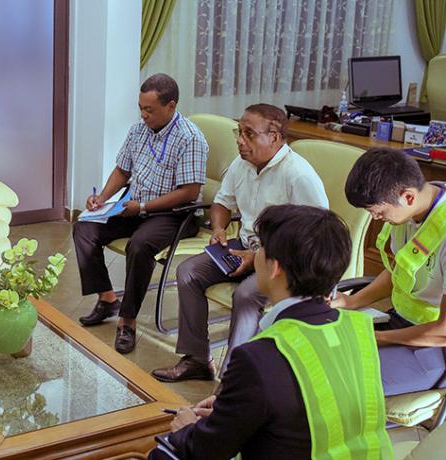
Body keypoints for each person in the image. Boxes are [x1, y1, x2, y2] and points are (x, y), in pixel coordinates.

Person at [152, 205, 391, 460]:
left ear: (274, 268)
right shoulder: (358, 329)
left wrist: (188, 427)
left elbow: (206, 450)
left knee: (164, 453)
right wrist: (234, 409)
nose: (255, 254)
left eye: (259, 247)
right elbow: (303, 410)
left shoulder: (257, 356)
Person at [152, 103, 328, 382]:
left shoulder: (298, 175)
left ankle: (234, 378)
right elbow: (222, 202)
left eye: (248, 134)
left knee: (245, 295)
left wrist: (259, 256)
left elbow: (315, 235)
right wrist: (220, 229)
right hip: (244, 246)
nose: (240, 141)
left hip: (283, 260)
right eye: (239, 131)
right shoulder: (241, 164)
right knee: (188, 272)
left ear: (274, 137)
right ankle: (197, 358)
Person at [73, 73, 209, 354]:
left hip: (174, 214)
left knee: (140, 245)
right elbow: (123, 170)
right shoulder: (138, 130)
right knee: (84, 227)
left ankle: (127, 320)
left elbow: (189, 192)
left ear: (171, 106)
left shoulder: (190, 138)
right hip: (133, 206)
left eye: (150, 109)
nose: (144, 115)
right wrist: (102, 198)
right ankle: (108, 298)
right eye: (141, 108)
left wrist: (144, 207)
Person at [336, 147, 446, 396]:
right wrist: (350, 302)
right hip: (402, 324)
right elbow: (399, 272)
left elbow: (442, 331)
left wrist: (379, 338)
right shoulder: (410, 211)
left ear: (407, 196)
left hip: (436, 347)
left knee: (348, 382)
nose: (375, 219)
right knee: (325, 354)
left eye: (378, 211)